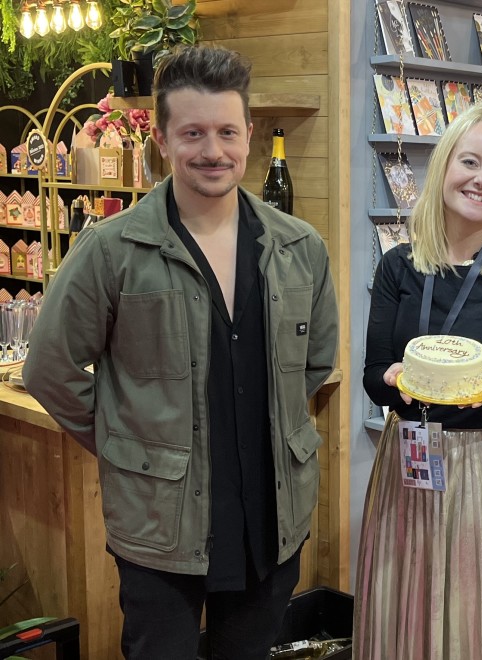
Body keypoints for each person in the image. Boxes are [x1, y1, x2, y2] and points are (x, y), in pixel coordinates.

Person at [23, 45, 339, 660]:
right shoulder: (113, 251)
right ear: (163, 141)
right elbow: (49, 368)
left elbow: (317, 362)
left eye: (226, 131)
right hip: (160, 528)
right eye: (192, 133)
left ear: (249, 134)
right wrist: (126, 442)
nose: (212, 151)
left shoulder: (300, 247)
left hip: (271, 522)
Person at [356, 103, 482, 660]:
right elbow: (375, 375)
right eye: (471, 161)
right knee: (401, 611)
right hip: (405, 461)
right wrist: (393, 380)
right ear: (444, 166)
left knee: (474, 624)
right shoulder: (398, 266)